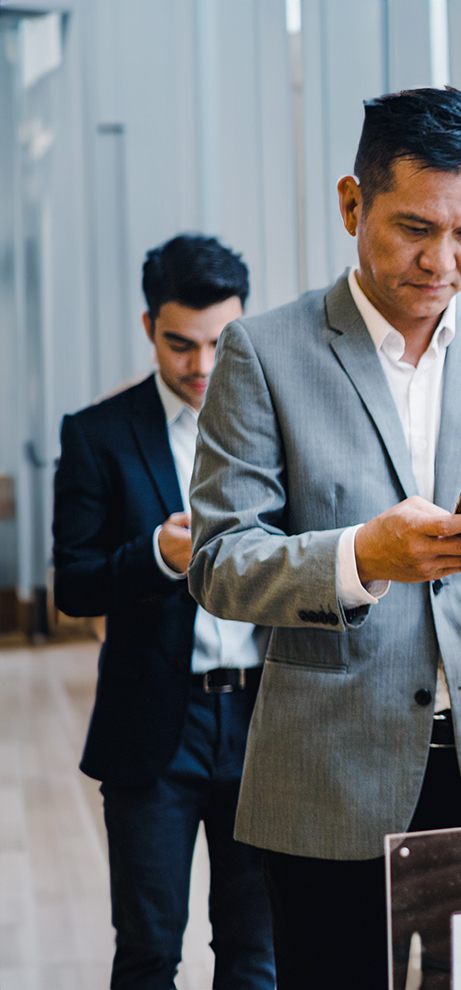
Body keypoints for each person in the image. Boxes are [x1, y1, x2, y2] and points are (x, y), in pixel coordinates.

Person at [187, 87, 461, 989]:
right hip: (329, 777)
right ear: (354, 204)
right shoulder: (262, 354)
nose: (444, 260)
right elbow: (220, 562)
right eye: (416, 227)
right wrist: (360, 560)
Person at [52, 234, 274, 989]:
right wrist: (155, 554)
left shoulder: (278, 423)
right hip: (154, 724)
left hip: (265, 718)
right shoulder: (97, 435)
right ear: (149, 328)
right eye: (182, 345)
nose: (203, 367)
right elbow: (74, 585)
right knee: (148, 951)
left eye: (220, 343)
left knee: (257, 953)